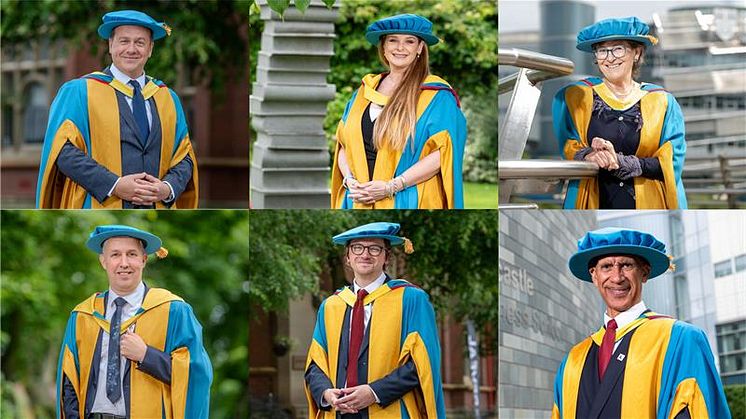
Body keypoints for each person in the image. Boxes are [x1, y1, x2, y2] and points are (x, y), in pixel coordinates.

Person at [552, 227, 731, 419]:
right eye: (606, 267)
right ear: (594, 276)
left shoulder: (680, 339)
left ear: (644, 273)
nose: (617, 277)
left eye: (627, 265)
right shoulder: (573, 360)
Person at [37, 10, 198, 209]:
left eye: (140, 42)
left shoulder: (167, 97)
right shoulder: (80, 91)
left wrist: (167, 188)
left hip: (158, 207)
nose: (131, 49)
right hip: (97, 204)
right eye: (124, 41)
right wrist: (115, 185)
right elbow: (62, 151)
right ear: (111, 45)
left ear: (150, 49)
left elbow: (184, 156)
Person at [56, 225, 212, 418]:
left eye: (131, 254)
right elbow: (69, 381)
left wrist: (146, 356)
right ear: (103, 261)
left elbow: (197, 375)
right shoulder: (83, 316)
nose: (124, 263)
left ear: (144, 259)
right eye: (115, 255)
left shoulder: (173, 311)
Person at [304, 222, 445, 418]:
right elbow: (315, 365)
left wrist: (374, 392)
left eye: (375, 248)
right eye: (357, 248)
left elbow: (423, 362)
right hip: (339, 413)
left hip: (391, 410)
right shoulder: (331, 306)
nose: (365, 254)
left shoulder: (411, 299)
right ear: (348, 257)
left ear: (387, 257)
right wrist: (327, 394)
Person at [330, 14, 467, 209]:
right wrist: (350, 180)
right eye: (393, 40)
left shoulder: (436, 96)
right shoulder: (364, 91)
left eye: (409, 41)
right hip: (358, 199)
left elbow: (444, 151)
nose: (400, 48)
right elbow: (344, 144)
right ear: (383, 47)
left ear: (420, 47)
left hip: (410, 198)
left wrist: (391, 186)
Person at [553, 17, 687, 209]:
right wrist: (589, 154)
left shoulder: (663, 102)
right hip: (590, 200)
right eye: (602, 50)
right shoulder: (576, 97)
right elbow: (569, 146)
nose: (609, 58)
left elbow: (672, 160)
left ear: (637, 53)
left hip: (649, 202)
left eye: (618, 49)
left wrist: (625, 163)